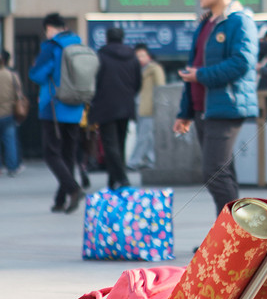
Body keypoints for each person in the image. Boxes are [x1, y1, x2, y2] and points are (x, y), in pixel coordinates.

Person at [174, 0, 259, 215]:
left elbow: (241, 63)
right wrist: (185, 112)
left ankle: (233, 238)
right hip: (203, 109)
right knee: (223, 173)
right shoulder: (206, 24)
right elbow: (194, 67)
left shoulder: (239, 22)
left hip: (226, 106)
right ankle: (230, 239)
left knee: (214, 172)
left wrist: (201, 75)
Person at [29, 14, 86, 213]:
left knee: (51, 153)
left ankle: (73, 189)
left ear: (49, 28)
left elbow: (37, 74)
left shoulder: (52, 47)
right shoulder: (79, 45)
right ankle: (61, 199)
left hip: (53, 106)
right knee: (68, 153)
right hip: (76, 106)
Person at [88, 27, 142, 189]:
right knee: (120, 143)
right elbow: (138, 83)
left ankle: (122, 178)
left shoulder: (101, 56)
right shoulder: (132, 57)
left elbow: (95, 81)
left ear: (107, 38)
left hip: (106, 106)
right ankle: (113, 180)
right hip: (126, 105)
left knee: (110, 144)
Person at [128, 45, 165, 171]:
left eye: (142, 56)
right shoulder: (136, 70)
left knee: (143, 135)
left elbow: (161, 88)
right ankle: (151, 160)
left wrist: (159, 106)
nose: (139, 59)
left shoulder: (154, 69)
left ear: (148, 56)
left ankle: (134, 161)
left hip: (149, 106)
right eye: (137, 56)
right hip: (138, 105)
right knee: (147, 136)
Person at [0, 50, 23, 177]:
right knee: (10, 141)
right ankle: (12, 167)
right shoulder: (11, 75)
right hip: (8, 112)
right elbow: (18, 93)